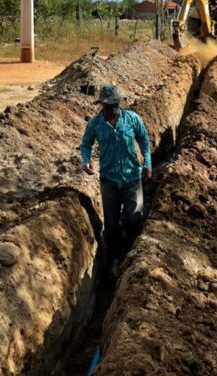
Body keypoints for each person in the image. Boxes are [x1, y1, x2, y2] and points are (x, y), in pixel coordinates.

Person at [79, 84, 152, 277]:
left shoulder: (132, 119)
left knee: (133, 218)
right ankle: (113, 259)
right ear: (101, 104)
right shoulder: (95, 124)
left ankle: (130, 255)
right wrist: (85, 161)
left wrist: (148, 162)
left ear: (119, 103)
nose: (112, 108)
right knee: (111, 225)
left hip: (132, 178)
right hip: (109, 180)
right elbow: (85, 144)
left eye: (115, 103)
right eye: (107, 104)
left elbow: (144, 140)